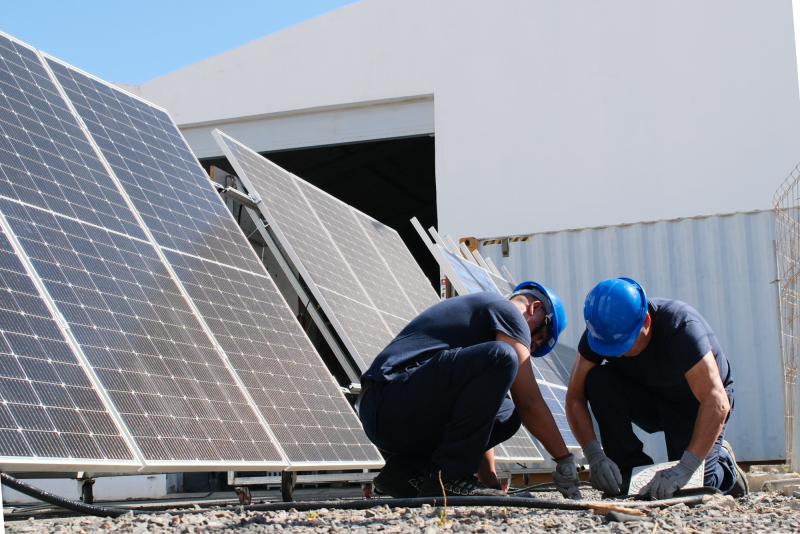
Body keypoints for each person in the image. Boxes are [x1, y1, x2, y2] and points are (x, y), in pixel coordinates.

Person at [357, 282, 583, 499]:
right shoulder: (507, 311)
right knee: (503, 356)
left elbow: (479, 414)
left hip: (392, 411)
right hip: (388, 401)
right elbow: (529, 401)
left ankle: (404, 474)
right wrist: (563, 458)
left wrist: (491, 486)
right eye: (536, 339)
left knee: (506, 412)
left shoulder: (481, 335)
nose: (529, 347)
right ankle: (447, 479)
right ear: (535, 309)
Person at [564, 277, 748, 500]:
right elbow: (574, 396)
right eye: (609, 347)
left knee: (691, 488)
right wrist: (594, 455)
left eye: (623, 344)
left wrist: (685, 468)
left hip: (695, 404)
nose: (616, 354)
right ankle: (627, 471)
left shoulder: (681, 328)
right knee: (597, 379)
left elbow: (716, 401)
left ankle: (724, 465)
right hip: (648, 395)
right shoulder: (601, 333)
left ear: (646, 321)